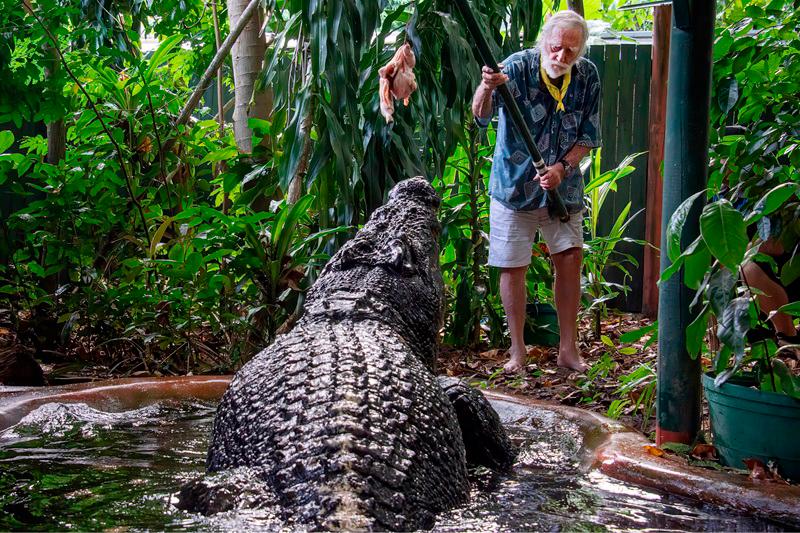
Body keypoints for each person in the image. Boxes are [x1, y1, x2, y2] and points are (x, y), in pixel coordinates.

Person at [471, 10, 601, 373]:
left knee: (570, 258)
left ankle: (568, 350)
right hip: (514, 187)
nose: (561, 57)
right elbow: (479, 115)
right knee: (513, 266)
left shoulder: (588, 76)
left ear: (581, 51)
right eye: (556, 47)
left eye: (570, 52)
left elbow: (588, 137)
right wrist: (486, 85)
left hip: (563, 189)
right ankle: (517, 352)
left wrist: (563, 167)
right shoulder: (515, 68)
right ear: (543, 41)